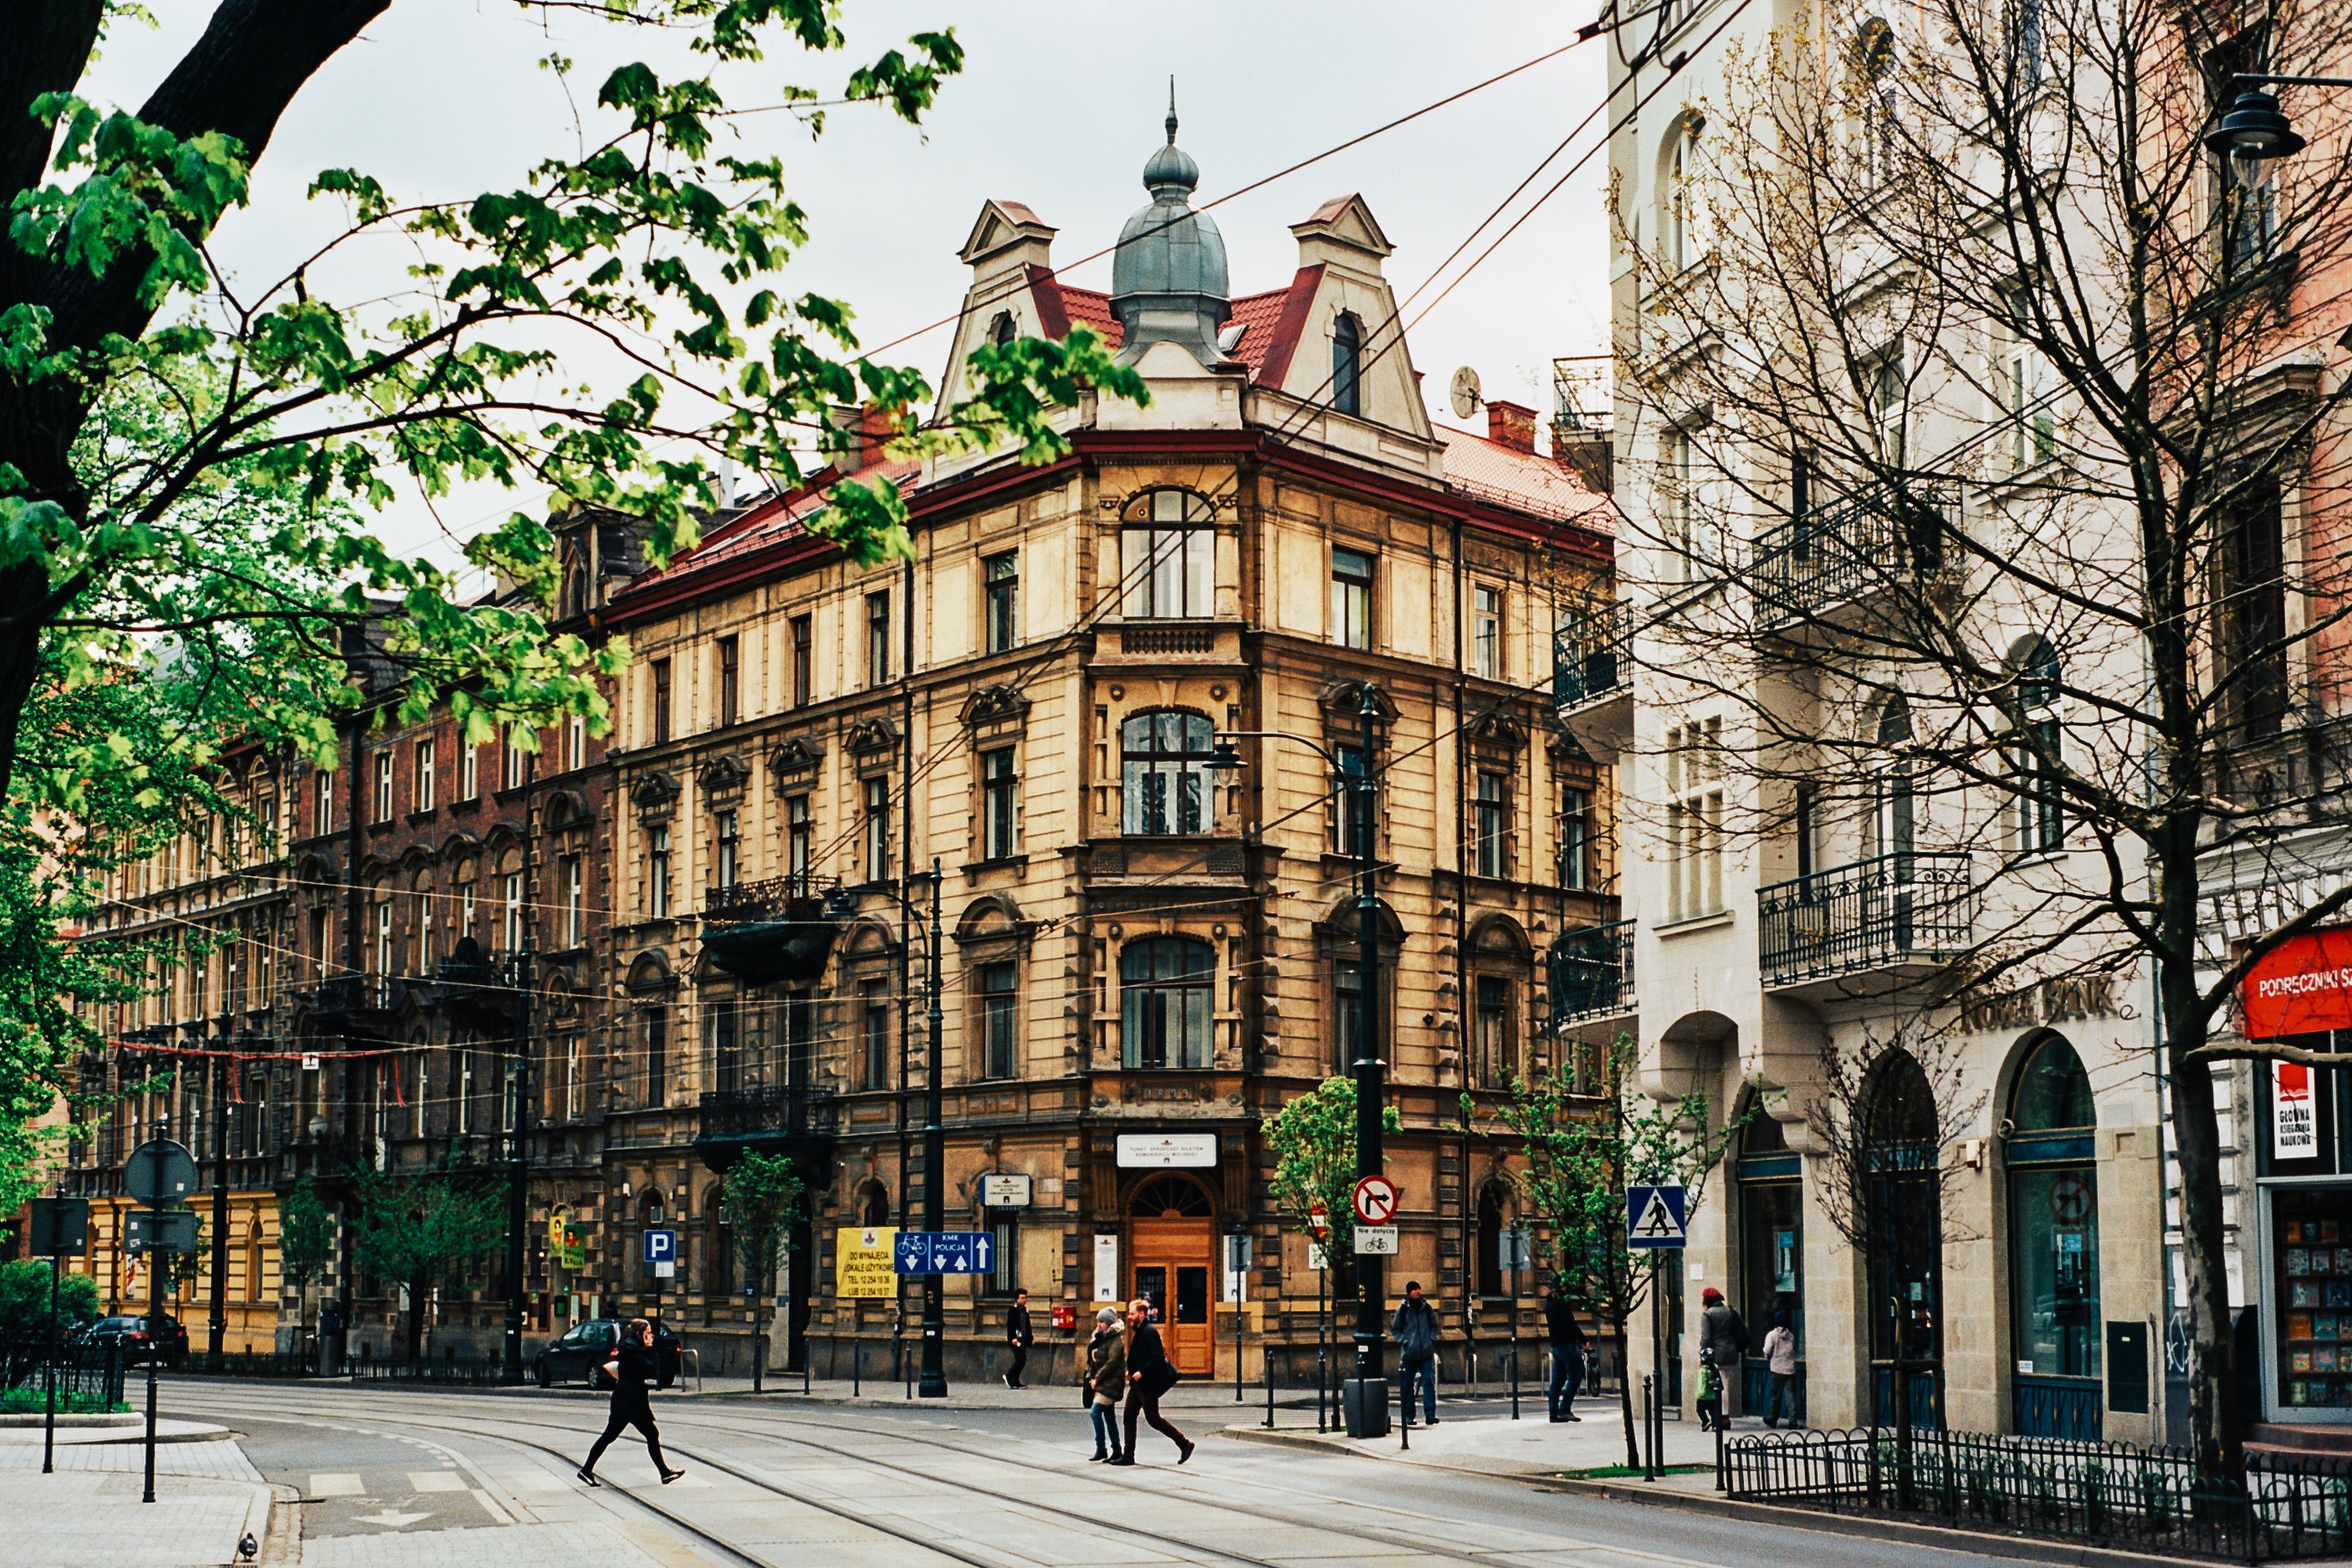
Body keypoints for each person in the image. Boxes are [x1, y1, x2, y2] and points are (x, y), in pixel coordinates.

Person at [577, 1318, 682, 1487]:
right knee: (646, 1434)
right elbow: (650, 1368)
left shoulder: (632, 1347)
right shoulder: (632, 1349)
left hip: (628, 1397)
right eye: (648, 1333)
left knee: (613, 1435)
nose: (651, 1337)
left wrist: (650, 1349)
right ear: (640, 1334)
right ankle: (664, 1473)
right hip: (630, 1399)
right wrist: (651, 1349)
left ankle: (586, 1469)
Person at [1110, 1296, 1193, 1465]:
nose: (1129, 1316)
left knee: (1153, 1418)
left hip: (1148, 1384)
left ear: (1141, 1314)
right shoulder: (1140, 1331)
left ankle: (1184, 1443)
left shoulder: (1149, 1331)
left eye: (1132, 1313)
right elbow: (1140, 1356)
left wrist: (1141, 1372)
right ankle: (1128, 1456)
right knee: (1128, 1416)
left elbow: (1157, 1357)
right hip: (1138, 1384)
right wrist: (1130, 1371)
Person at [1695, 1286, 1749, 1433]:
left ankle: (1722, 1417)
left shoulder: (1708, 1314)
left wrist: (1702, 1356)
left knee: (1719, 1386)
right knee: (1723, 1382)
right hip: (1731, 1352)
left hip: (1716, 1355)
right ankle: (1722, 1416)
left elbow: (1706, 1338)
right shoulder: (1730, 1311)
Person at [1392, 1280, 1440, 1424]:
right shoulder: (1403, 1309)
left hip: (1425, 1352)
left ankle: (1430, 1415)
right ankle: (1409, 1415)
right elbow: (1396, 1329)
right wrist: (1404, 1341)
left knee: (1428, 1382)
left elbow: (1434, 1326)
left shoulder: (1427, 1308)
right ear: (1409, 1292)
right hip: (1409, 1354)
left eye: (1419, 1288)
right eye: (1415, 1289)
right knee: (1407, 1385)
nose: (1418, 1291)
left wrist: (1431, 1338)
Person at [1082, 1305, 1126, 1461]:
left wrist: (1097, 1378)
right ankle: (1116, 1449)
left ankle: (1101, 1448)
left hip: (1111, 1384)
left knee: (1095, 1412)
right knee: (1109, 1417)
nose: (1098, 1324)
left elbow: (1112, 1362)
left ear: (1109, 1323)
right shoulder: (1102, 1338)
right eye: (1098, 1321)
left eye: (1101, 1321)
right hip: (1103, 1383)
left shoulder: (1115, 1340)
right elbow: (1095, 1361)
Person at [1543, 1278, 1588, 1422]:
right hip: (1566, 1345)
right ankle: (1564, 1410)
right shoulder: (1562, 1303)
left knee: (1557, 1381)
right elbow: (1570, 1324)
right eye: (1565, 1286)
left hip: (1555, 1345)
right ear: (1562, 1287)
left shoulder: (1549, 1304)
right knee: (1576, 1376)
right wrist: (1584, 1340)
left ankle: (1553, 1413)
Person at [1760, 1311, 1797, 1428]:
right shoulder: (1791, 1335)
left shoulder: (1772, 1335)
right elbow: (1793, 1348)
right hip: (1790, 1368)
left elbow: (1767, 1350)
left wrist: (1768, 1356)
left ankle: (1772, 1418)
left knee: (1775, 1396)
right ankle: (1793, 1420)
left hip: (1776, 1368)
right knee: (1790, 1395)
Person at [1005, 1288, 1034, 1389]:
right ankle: (1009, 1376)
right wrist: (1012, 1337)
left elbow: (1027, 1326)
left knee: (1022, 1360)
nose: (1024, 1300)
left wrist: (1031, 1338)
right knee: (1020, 1359)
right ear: (1017, 1299)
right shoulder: (1012, 1311)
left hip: (1023, 1339)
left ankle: (1016, 1381)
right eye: (1022, 1298)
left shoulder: (1025, 1311)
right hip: (1015, 1340)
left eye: (1025, 1298)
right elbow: (1010, 1325)